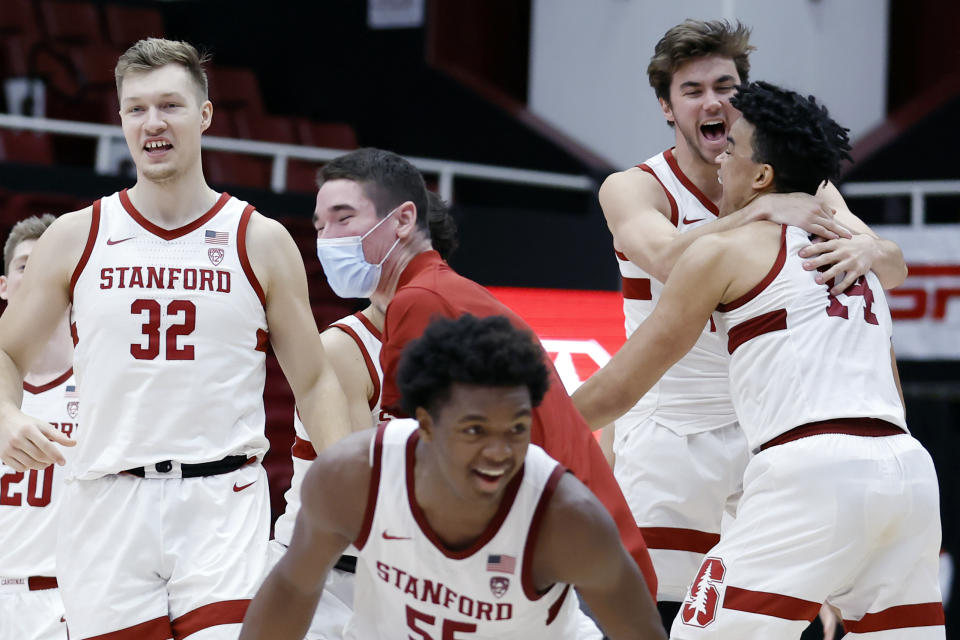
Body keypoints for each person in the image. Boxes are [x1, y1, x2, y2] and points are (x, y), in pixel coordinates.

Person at [0, 38, 353, 639]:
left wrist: (347, 480)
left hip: (221, 500)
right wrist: (6, 416)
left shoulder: (259, 239)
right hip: (107, 501)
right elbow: (8, 352)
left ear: (206, 114)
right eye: (136, 108)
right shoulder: (77, 235)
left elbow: (315, 379)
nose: (153, 122)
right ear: (120, 119)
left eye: (170, 105)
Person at [574, 81, 944, 639]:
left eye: (734, 149)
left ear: (763, 176)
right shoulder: (854, 252)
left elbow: (621, 387)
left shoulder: (722, 250)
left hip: (810, 471)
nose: (721, 159)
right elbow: (888, 367)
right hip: (908, 472)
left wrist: (525, 429)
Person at [308, 147, 659, 603]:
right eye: (320, 226)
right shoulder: (442, 293)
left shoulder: (421, 302)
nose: (327, 239)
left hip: (565, 570)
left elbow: (427, 475)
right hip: (577, 559)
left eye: (343, 219)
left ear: (402, 220)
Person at [241, 314, 667, 639]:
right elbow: (293, 591)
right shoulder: (355, 476)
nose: (499, 453)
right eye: (475, 431)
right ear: (425, 424)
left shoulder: (567, 516)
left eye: (516, 430)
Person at [268, 191, 460, 640]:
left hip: (410, 583)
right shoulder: (344, 348)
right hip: (326, 583)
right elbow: (361, 497)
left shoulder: (462, 347)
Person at [0, 215, 73, 640]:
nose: (37, 273)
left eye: (49, 263)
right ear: (4, 285)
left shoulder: (101, 384)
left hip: (59, 602)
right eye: (26, 264)